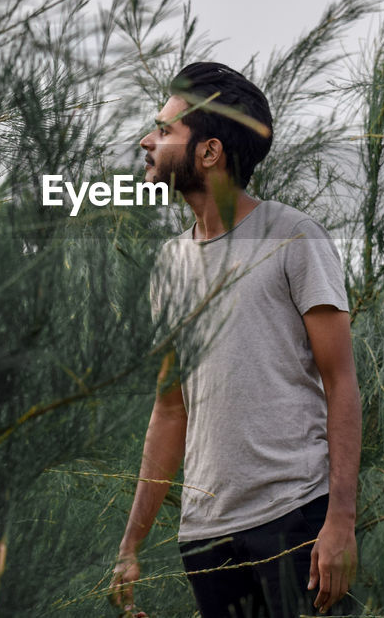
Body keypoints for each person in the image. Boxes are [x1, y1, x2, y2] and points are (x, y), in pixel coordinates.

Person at [109, 62, 361, 617]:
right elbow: (170, 410)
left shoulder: (295, 238)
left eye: (165, 129)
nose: (147, 141)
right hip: (206, 538)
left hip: (294, 516)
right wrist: (131, 545)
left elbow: (341, 382)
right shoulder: (169, 266)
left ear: (209, 152)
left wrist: (340, 519)